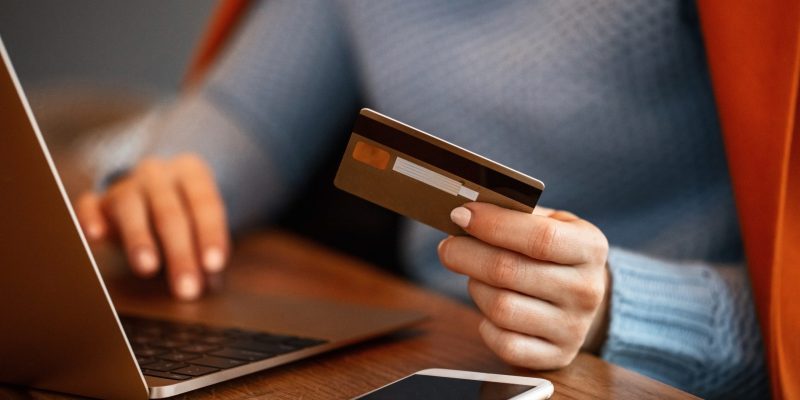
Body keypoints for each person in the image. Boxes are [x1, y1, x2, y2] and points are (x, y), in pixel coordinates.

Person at [73, 1, 767, 398]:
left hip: (642, 371)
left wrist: (619, 305)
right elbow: (247, 116)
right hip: (440, 350)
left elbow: (784, 324)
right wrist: (167, 179)